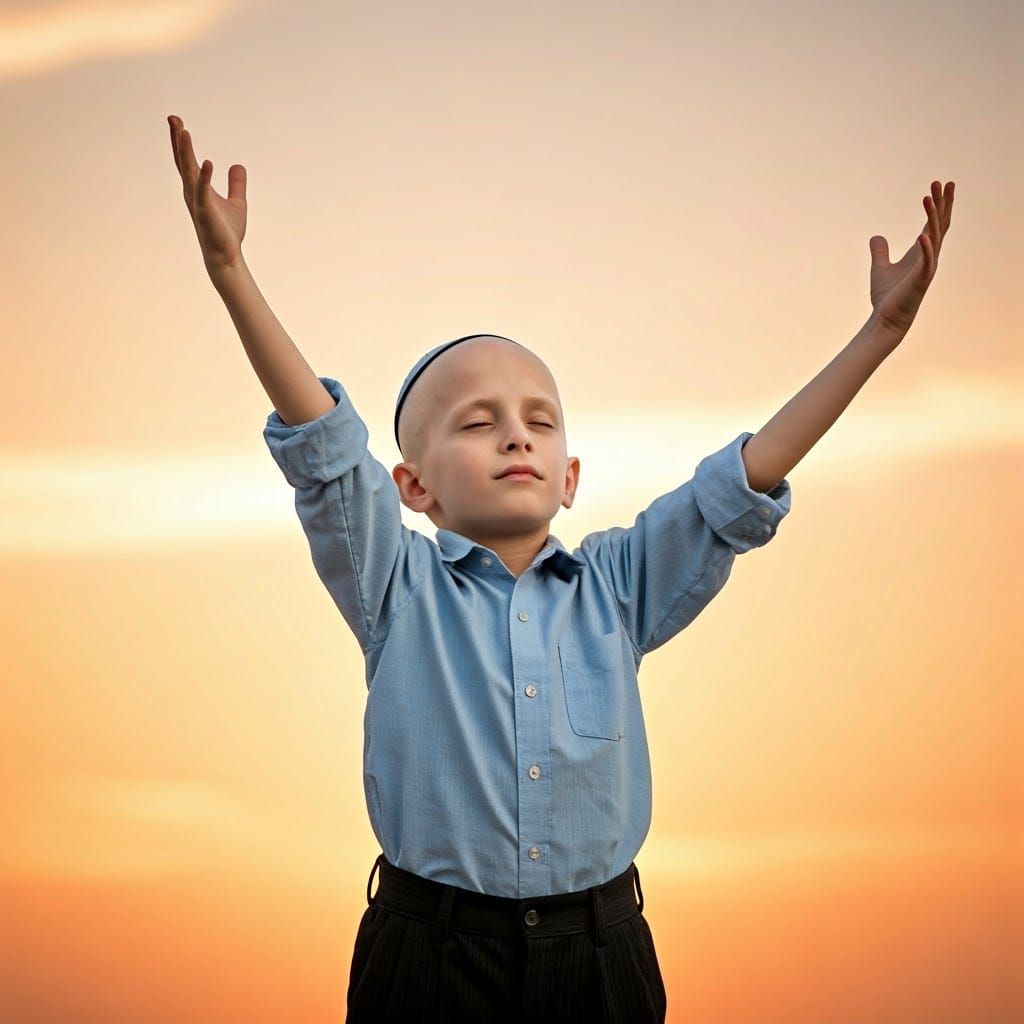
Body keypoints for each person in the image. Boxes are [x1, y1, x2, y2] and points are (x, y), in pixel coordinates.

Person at [166, 113, 954, 1023]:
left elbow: (744, 478)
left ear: (570, 476)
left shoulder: (619, 587)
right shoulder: (397, 588)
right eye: (477, 420)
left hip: (601, 953)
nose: (515, 434)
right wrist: (232, 274)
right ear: (413, 486)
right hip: (431, 955)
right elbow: (325, 445)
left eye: (540, 421)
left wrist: (879, 335)